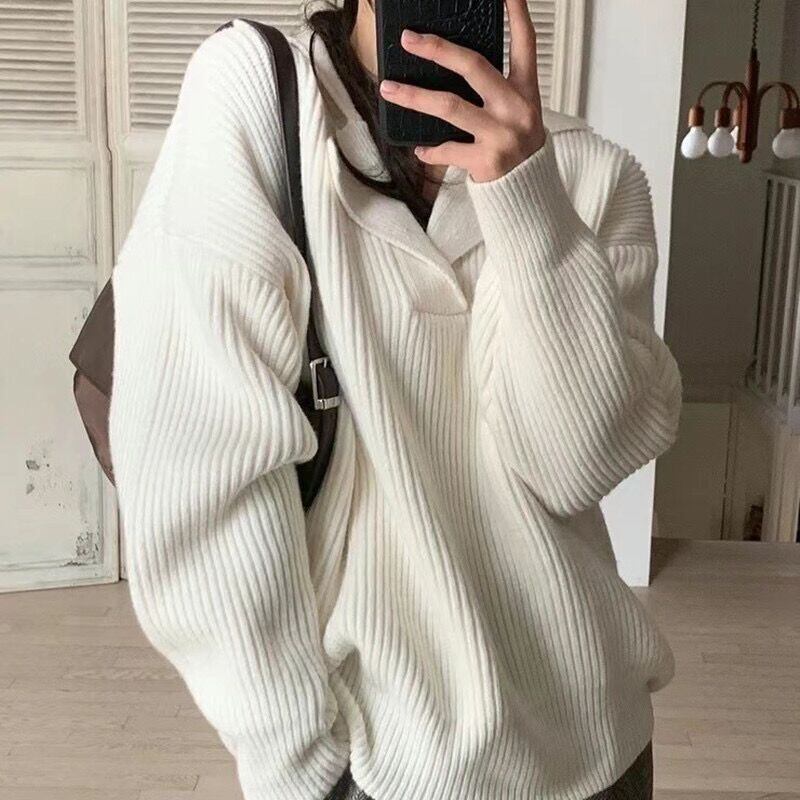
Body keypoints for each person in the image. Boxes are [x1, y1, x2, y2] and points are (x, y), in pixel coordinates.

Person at [108, 1, 682, 798]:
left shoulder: (591, 173)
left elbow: (571, 467)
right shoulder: (260, 103)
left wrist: (526, 199)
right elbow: (194, 464)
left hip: (602, 746)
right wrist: (293, 762)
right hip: (387, 768)